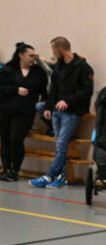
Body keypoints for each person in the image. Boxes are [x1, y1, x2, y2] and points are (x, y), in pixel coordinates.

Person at [29, 36, 94, 188]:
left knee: (61, 144)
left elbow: (87, 91)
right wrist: (48, 107)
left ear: (59, 49)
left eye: (53, 49)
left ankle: (49, 175)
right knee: (60, 146)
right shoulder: (59, 66)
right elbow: (54, 90)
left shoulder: (83, 67)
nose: (53, 52)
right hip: (57, 111)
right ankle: (62, 177)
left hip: (72, 112)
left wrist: (68, 101)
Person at [0, 42, 47, 182]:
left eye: (34, 55)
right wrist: (15, 90)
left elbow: (44, 91)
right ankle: (6, 168)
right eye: (30, 55)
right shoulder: (8, 69)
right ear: (21, 55)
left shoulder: (39, 72)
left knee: (16, 139)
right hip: (6, 109)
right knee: (6, 139)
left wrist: (45, 105)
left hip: (25, 111)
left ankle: (15, 170)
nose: (33, 58)